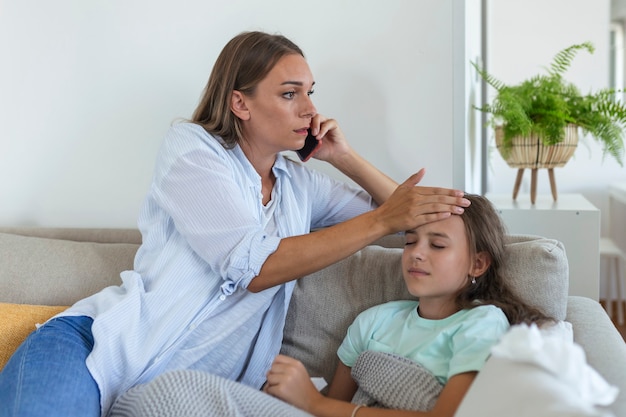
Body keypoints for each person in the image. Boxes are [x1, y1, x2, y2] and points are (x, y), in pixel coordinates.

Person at [0, 31, 471, 417]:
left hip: (175, 398)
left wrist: (345, 157)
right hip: (91, 353)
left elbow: (410, 220)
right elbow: (254, 266)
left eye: (310, 92)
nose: (309, 110)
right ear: (240, 104)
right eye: (290, 94)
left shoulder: (299, 186)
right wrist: (382, 218)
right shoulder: (191, 151)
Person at [263, 194, 554, 417]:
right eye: (410, 242)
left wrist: (313, 401)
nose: (416, 254)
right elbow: (331, 409)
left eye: (437, 246)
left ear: (477, 263)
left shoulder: (481, 322)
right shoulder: (372, 322)